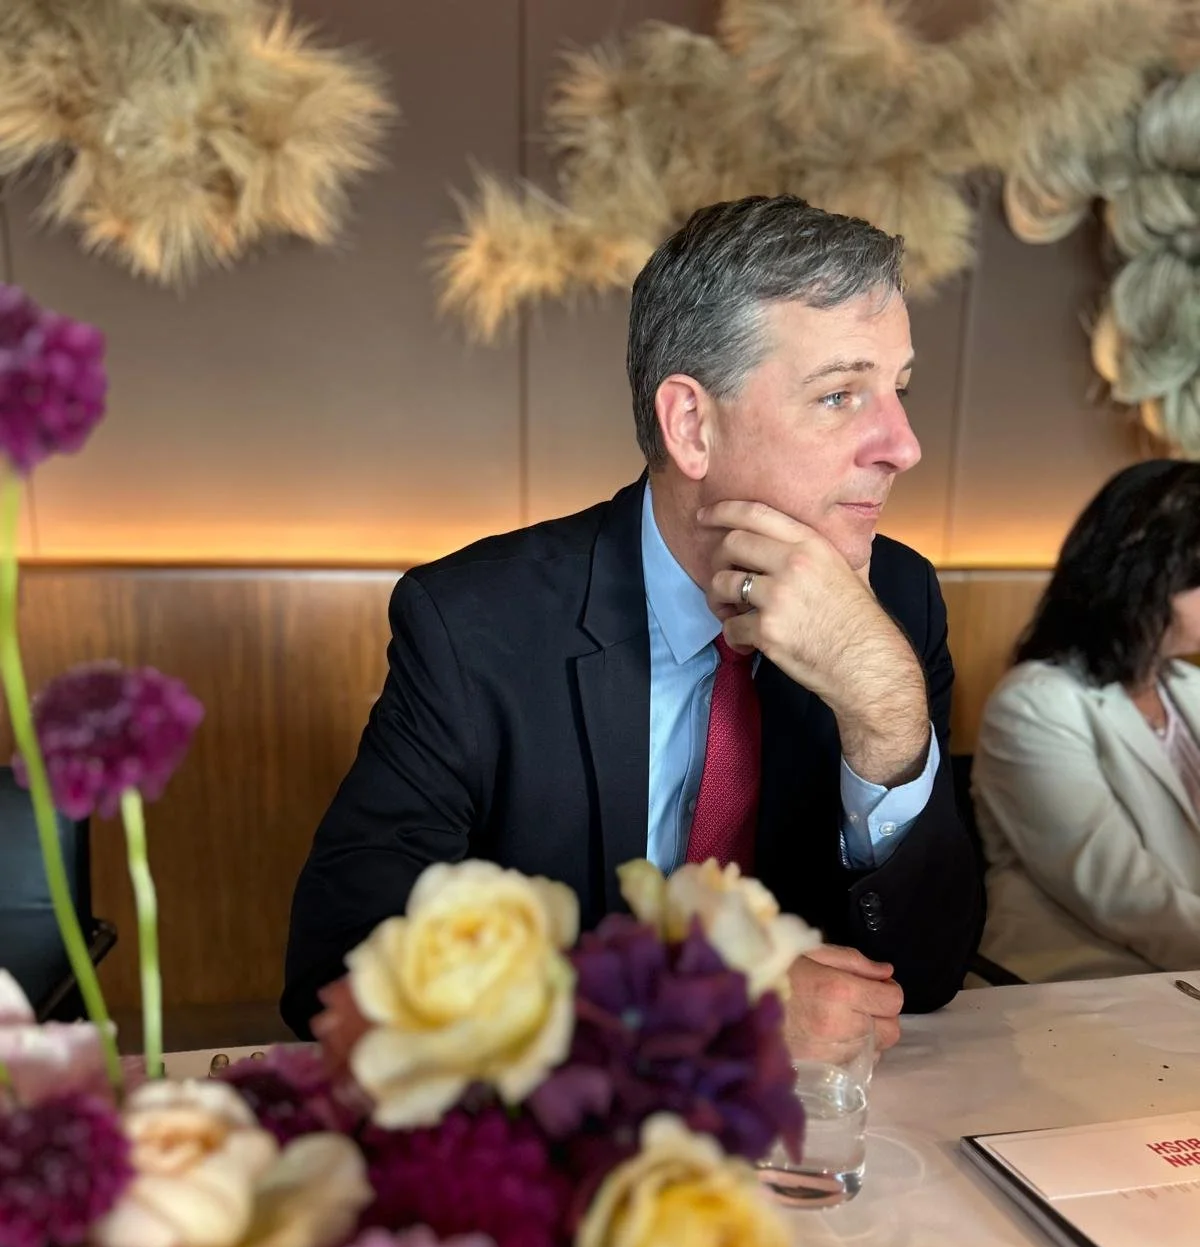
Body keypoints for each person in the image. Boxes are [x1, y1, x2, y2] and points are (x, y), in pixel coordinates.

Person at [282, 196, 983, 1044]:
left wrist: (886, 712)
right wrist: (702, 1008)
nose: (902, 445)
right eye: (840, 396)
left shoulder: (897, 599)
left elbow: (930, 974)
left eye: (898, 390)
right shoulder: (475, 625)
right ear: (692, 425)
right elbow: (342, 969)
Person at [973, 460, 1200, 982]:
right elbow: (1121, 891)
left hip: (1174, 981)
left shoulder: (1187, 691)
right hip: (1075, 988)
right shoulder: (1034, 703)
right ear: (1144, 577)